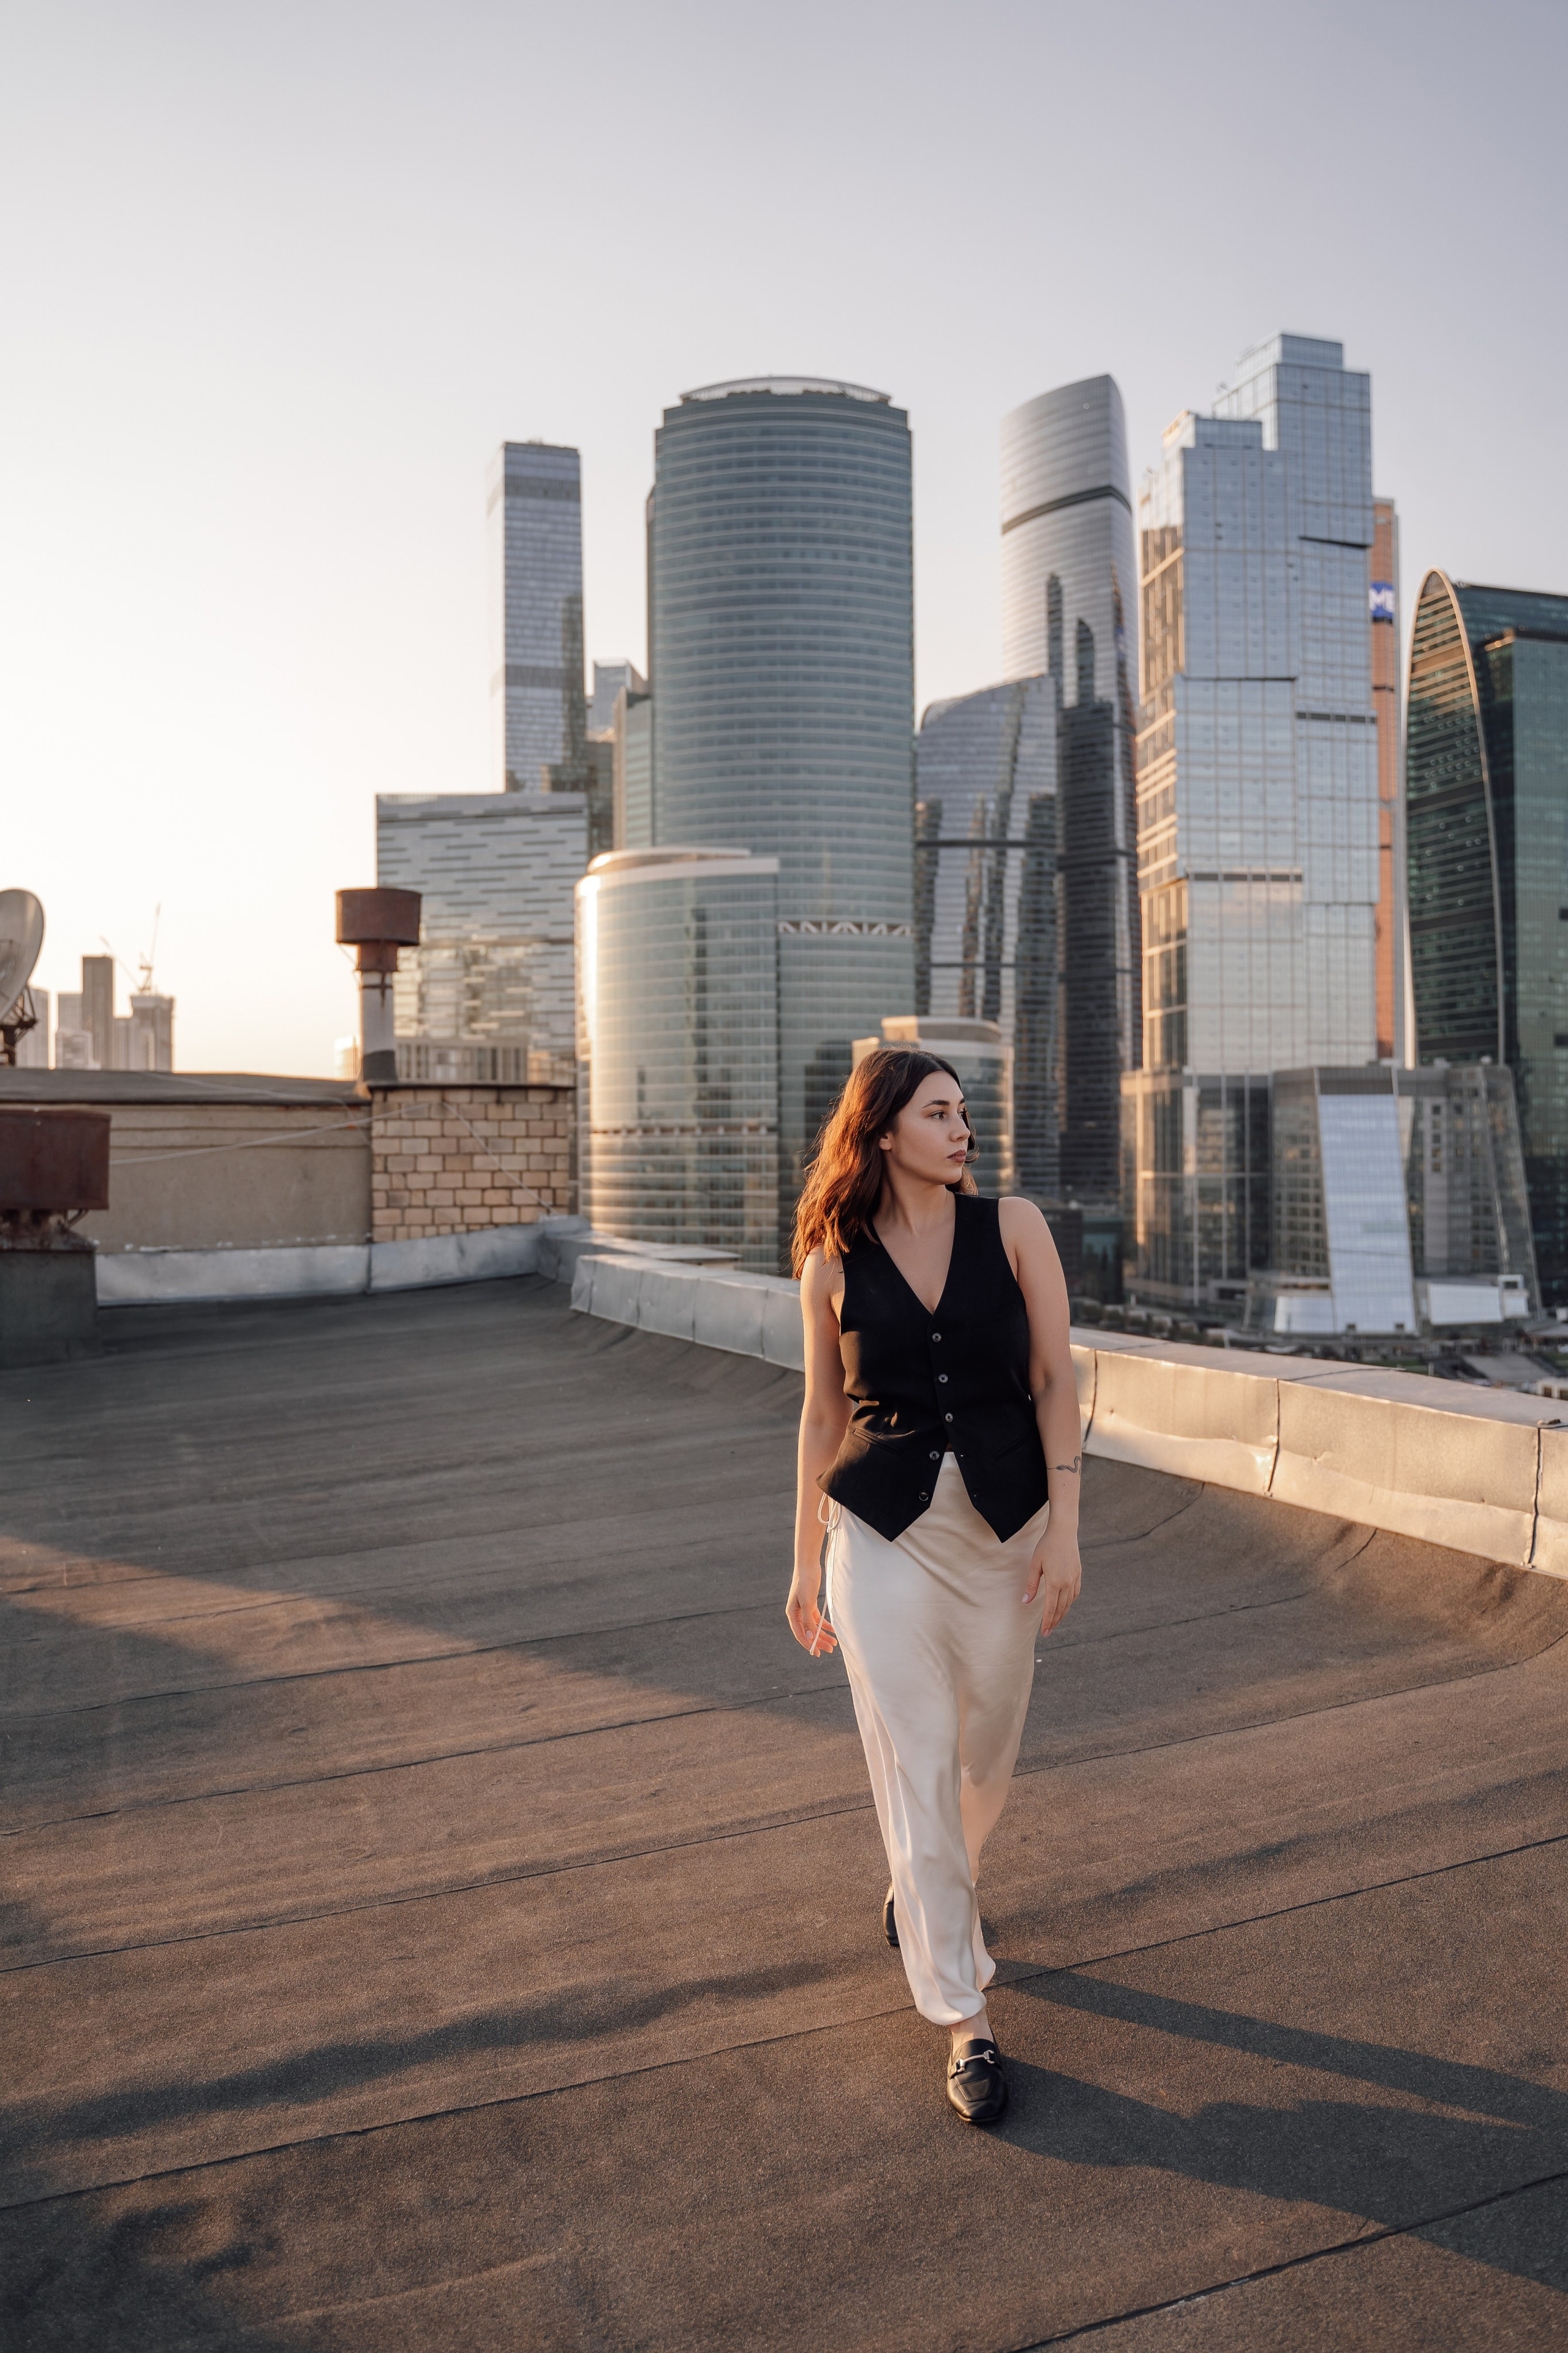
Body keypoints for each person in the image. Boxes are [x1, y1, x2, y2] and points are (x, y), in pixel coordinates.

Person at [786, 1047, 1083, 2125]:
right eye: (940, 1113)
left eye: (965, 1113)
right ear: (881, 1133)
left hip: (1007, 1527)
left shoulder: (1014, 1227)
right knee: (914, 1757)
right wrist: (804, 1555)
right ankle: (966, 2015)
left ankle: (929, 1884)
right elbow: (823, 1416)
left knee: (984, 1746)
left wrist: (1068, 1528)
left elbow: (1056, 1376)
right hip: (879, 1534)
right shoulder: (828, 1264)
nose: (964, 1130)